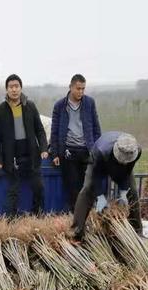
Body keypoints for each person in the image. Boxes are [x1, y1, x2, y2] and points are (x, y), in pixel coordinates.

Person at [0, 74, 49, 217]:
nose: (14, 90)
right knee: (13, 191)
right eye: (11, 87)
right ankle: (11, 221)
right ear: (6, 90)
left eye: (16, 86)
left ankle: (38, 217)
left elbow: (40, 130)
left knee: (38, 187)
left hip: (31, 155)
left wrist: (43, 148)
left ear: (21, 88)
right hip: (11, 157)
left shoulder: (30, 106)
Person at [72, 131, 142, 241]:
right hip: (98, 164)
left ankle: (136, 231)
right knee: (87, 189)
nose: (124, 162)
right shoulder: (101, 151)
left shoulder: (137, 151)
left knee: (132, 192)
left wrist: (124, 192)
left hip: (120, 168)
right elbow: (96, 175)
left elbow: (127, 170)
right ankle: (77, 230)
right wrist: (100, 196)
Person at [50, 74, 102, 212]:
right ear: (71, 87)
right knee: (72, 188)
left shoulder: (89, 103)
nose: (81, 92)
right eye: (78, 88)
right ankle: (75, 219)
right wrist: (55, 153)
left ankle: (87, 217)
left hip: (86, 150)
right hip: (68, 152)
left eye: (83, 89)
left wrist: (97, 149)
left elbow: (96, 128)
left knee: (87, 187)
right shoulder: (60, 106)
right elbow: (54, 131)